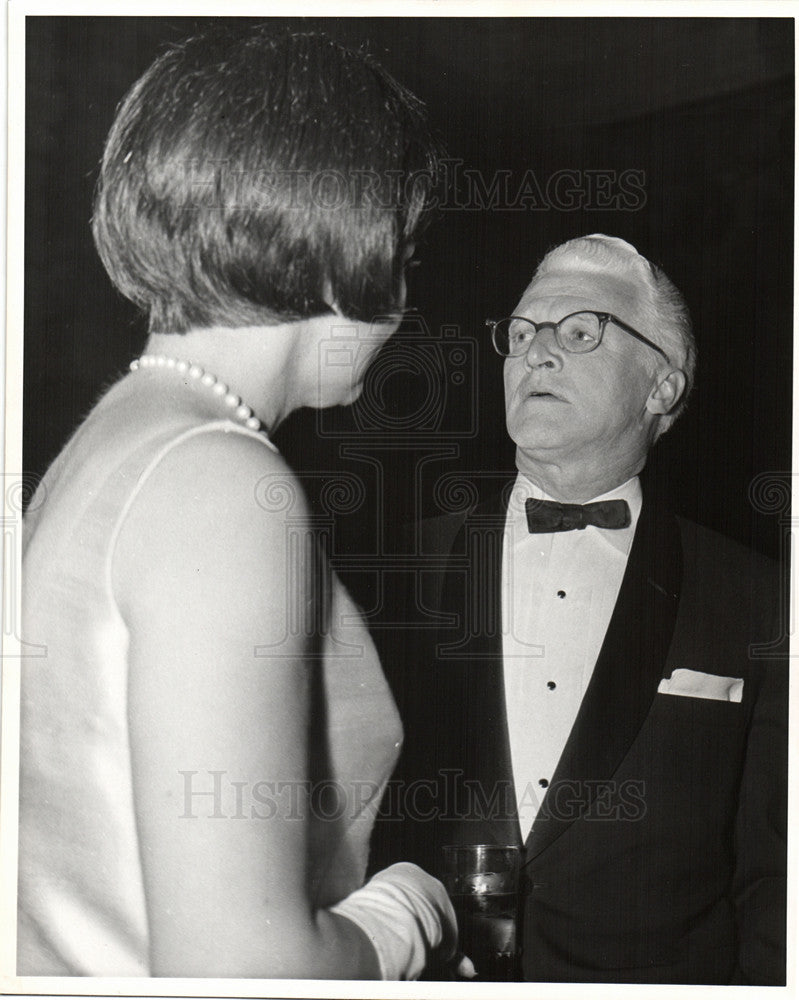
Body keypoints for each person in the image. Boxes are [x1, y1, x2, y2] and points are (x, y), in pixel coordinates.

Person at [17, 26, 457, 979]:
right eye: (406, 251)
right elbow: (239, 966)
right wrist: (410, 915)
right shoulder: (222, 480)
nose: (406, 304)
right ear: (351, 239)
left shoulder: (111, 442)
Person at [379, 235, 787, 984]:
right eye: (522, 333)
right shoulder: (388, 576)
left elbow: (777, 890)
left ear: (660, 387)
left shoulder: (760, 602)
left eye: (577, 332)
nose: (535, 353)